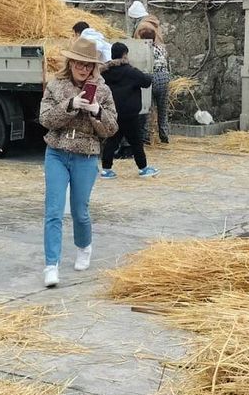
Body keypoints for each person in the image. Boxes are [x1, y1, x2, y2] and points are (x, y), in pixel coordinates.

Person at [39, 36, 118, 288]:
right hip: (57, 152)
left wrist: (96, 111)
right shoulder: (56, 86)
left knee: (79, 211)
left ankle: (84, 246)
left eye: (88, 65)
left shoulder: (103, 91)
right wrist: (70, 104)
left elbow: (111, 128)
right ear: (70, 62)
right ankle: (51, 265)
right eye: (79, 64)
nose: (83, 69)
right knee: (53, 211)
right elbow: (45, 119)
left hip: (86, 154)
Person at [99, 41, 157, 179]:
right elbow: (146, 81)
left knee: (112, 140)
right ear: (125, 55)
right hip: (130, 114)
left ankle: (106, 169)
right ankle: (143, 168)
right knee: (136, 141)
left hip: (113, 112)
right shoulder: (131, 71)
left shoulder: (105, 72)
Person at [136, 19, 171, 145]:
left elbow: (140, 66)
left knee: (146, 109)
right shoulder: (162, 49)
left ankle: (145, 137)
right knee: (163, 109)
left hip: (149, 79)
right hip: (164, 78)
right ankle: (164, 135)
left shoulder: (142, 49)